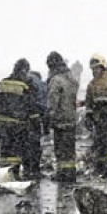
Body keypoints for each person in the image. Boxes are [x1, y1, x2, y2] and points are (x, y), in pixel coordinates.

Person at [0, 59, 41, 180]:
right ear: (24, 70)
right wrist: (35, 124)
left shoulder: (3, 83)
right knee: (17, 150)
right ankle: (14, 175)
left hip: (3, 123)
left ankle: (4, 174)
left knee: (5, 150)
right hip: (18, 124)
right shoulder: (26, 85)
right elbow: (32, 107)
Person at [45, 51, 79, 183]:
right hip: (71, 118)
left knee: (60, 150)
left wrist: (48, 118)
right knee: (69, 149)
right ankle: (70, 173)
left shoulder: (56, 80)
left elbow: (52, 102)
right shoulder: (71, 79)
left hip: (60, 120)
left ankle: (62, 174)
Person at [26, 70, 47, 180]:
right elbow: (45, 105)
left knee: (23, 146)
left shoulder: (22, 81)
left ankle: (26, 170)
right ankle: (35, 170)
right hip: (35, 119)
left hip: (22, 120)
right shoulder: (42, 85)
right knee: (35, 146)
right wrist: (46, 126)